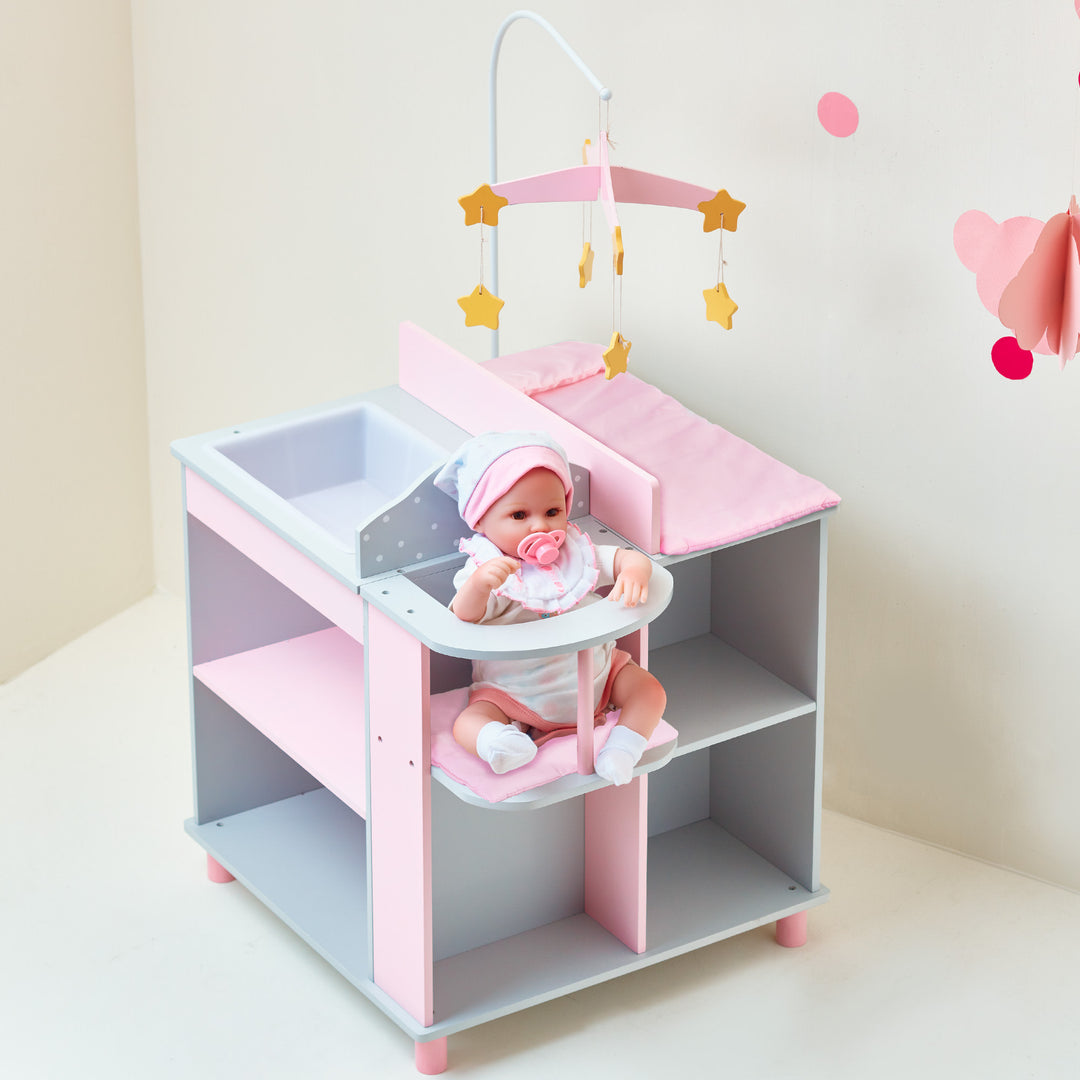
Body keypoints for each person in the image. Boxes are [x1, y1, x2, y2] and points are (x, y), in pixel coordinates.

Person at [434, 431, 666, 785]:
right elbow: (463, 617)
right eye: (519, 515)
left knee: (649, 691)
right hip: (515, 693)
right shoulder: (486, 570)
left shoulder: (576, 554)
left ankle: (622, 750)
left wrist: (634, 571)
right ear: (480, 521)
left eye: (553, 511)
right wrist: (480, 584)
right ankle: (500, 744)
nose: (540, 526)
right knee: (469, 721)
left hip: (599, 676)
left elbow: (624, 558)